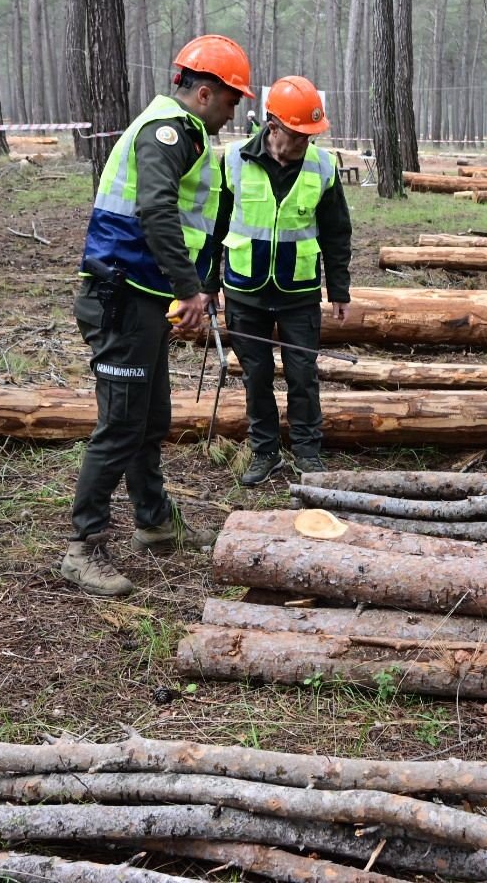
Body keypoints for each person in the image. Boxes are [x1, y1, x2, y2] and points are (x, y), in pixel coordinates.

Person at [62, 34, 254, 596]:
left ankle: (154, 523)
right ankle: (83, 546)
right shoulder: (166, 133)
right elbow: (155, 210)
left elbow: (199, 225)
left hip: (143, 297)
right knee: (121, 423)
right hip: (119, 298)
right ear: (203, 93)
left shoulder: (187, 135)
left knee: (151, 419)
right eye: (231, 98)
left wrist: (200, 288)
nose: (234, 108)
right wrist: (189, 290)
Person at [208, 75, 351, 485]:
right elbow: (215, 224)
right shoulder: (233, 159)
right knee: (256, 376)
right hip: (244, 291)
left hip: (299, 292)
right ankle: (264, 451)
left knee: (302, 374)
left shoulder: (322, 166)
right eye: (298, 134)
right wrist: (206, 283)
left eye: (311, 134)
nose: (306, 141)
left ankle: (307, 452)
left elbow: (337, 232)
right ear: (273, 127)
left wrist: (339, 288)